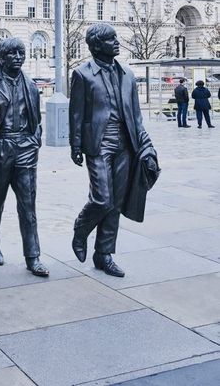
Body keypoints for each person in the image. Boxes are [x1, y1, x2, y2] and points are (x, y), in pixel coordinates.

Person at [69, 23, 154, 278]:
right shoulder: (82, 74)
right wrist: (76, 145)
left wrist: (145, 144)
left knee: (115, 203)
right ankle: (81, 228)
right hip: (98, 143)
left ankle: (104, 254)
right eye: (110, 39)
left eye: (116, 38)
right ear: (96, 46)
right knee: (101, 198)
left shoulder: (127, 75)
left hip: (125, 143)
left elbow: (136, 116)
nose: (116, 42)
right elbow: (76, 114)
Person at [0, 38, 49, 277]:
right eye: (12, 53)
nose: (18, 57)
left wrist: (34, 140)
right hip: (0, 149)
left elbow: (36, 121)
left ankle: (33, 256)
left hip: (25, 149)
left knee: (28, 206)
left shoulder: (31, 85)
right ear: (2, 57)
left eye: (21, 53)